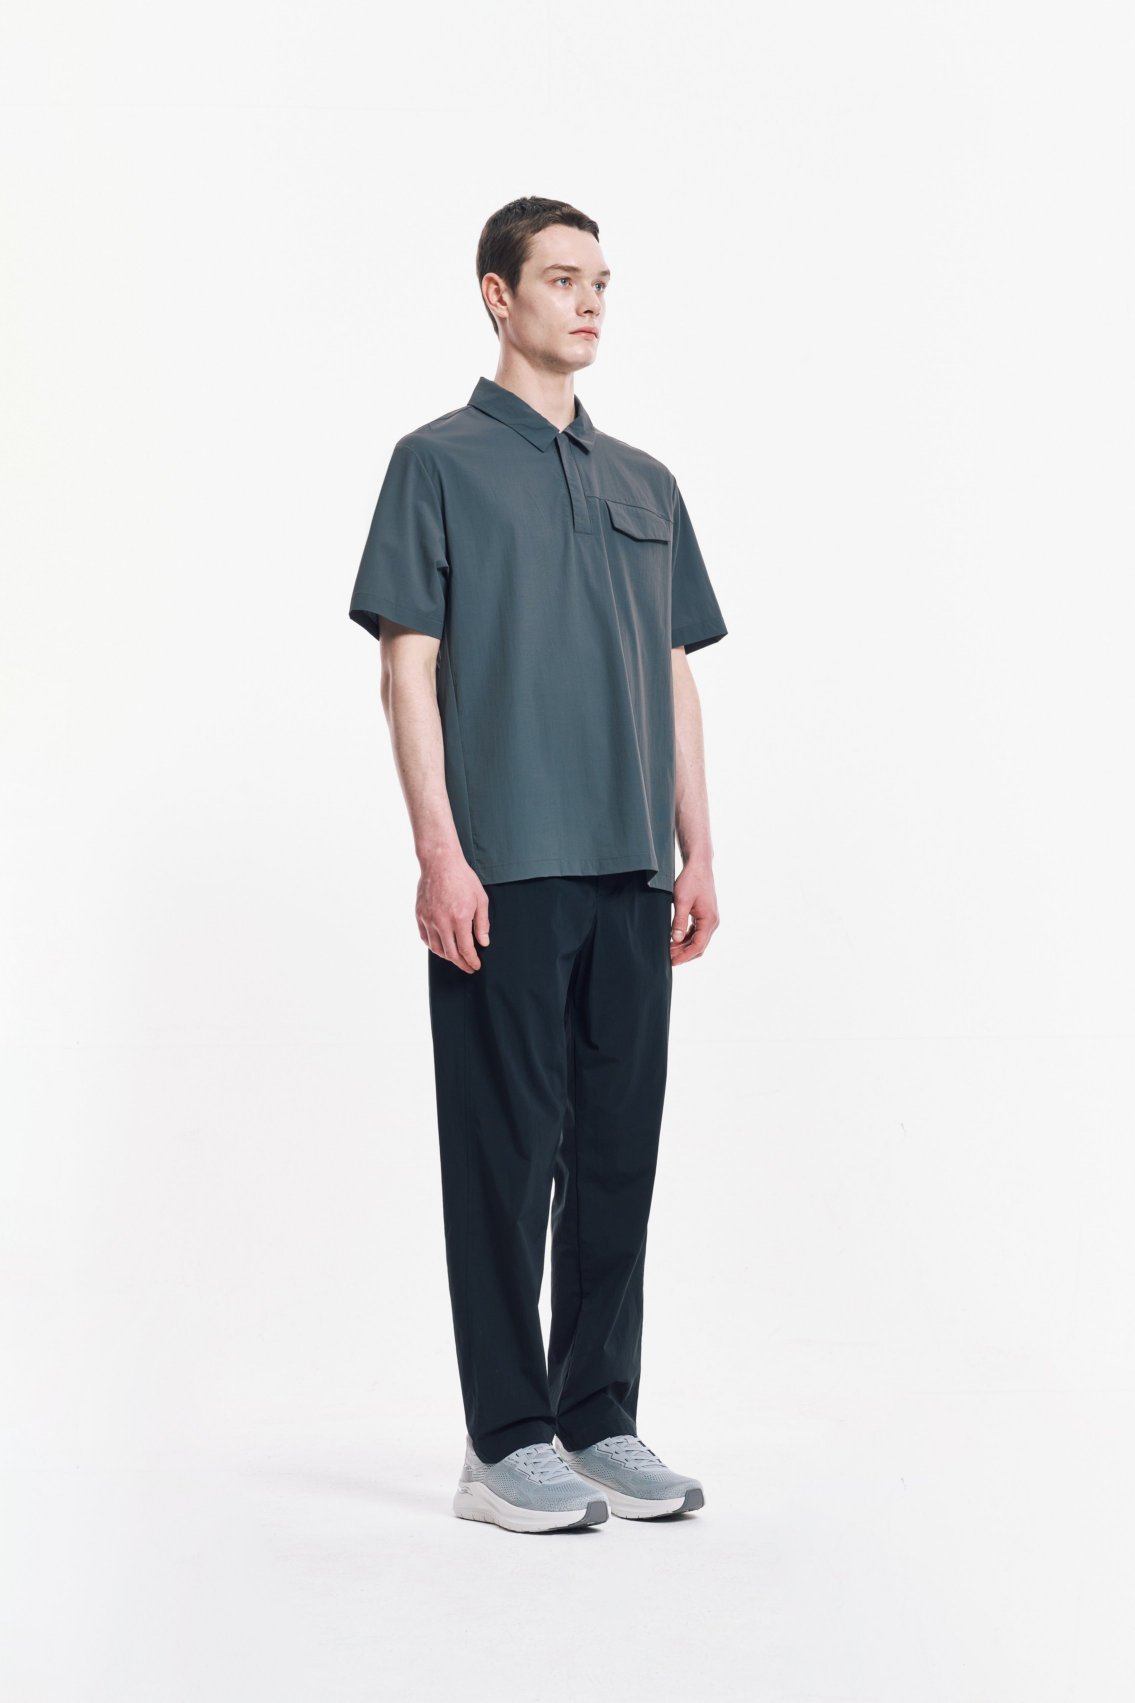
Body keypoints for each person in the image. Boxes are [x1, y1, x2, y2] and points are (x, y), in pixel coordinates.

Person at [348, 197, 728, 1534]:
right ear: (498, 297)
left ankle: (598, 1417)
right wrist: (438, 854)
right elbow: (408, 670)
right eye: (563, 279)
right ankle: (505, 1440)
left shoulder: (647, 484)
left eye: (602, 282)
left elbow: (675, 675)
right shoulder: (435, 463)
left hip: (632, 867)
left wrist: (698, 847)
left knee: (618, 1153)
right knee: (505, 1158)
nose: (590, 301)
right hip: (504, 865)